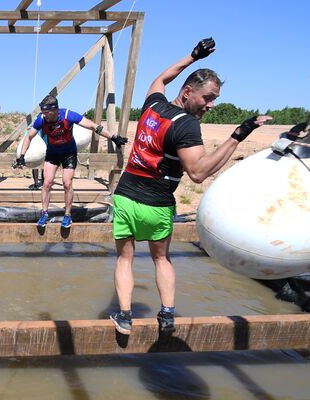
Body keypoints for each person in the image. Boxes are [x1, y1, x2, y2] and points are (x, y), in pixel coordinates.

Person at [109, 38, 272, 336]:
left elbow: (161, 78)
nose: (210, 106)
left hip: (125, 197)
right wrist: (239, 134)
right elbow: (198, 173)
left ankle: (123, 316)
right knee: (161, 258)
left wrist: (193, 56)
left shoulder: (152, 105)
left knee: (125, 259)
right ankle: (167, 317)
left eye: (214, 100)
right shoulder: (186, 125)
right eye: (207, 98)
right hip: (156, 206)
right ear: (187, 93)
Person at [14, 94, 128, 228]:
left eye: (46, 112)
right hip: (52, 153)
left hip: (69, 153)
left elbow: (93, 126)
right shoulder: (41, 120)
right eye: (43, 112)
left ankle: (67, 215)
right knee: (47, 182)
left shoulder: (68, 115)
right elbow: (29, 137)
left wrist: (113, 137)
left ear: (55, 110)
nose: (44, 115)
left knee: (67, 183)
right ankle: (44, 213)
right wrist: (21, 156)